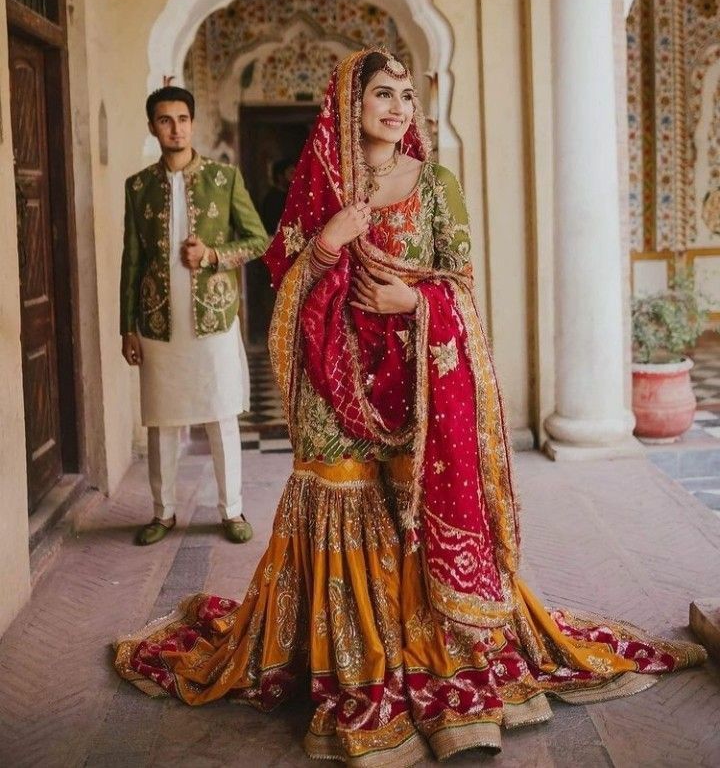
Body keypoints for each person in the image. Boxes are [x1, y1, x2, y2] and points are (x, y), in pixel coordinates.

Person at [114, 52, 704, 764]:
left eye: (406, 96)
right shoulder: (318, 182)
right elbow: (282, 268)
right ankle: (353, 664)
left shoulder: (436, 183)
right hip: (330, 380)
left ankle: (427, 655)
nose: (397, 107)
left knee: (408, 504)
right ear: (348, 103)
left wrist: (412, 300)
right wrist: (328, 245)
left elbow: (461, 283)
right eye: (382, 94)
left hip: (417, 377)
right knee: (335, 493)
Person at [120, 85, 268, 546]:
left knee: (221, 413)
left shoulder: (224, 179)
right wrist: (127, 326)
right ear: (153, 128)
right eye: (165, 120)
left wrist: (211, 255)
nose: (176, 128)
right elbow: (132, 259)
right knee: (162, 419)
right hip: (158, 321)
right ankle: (162, 513)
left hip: (213, 318)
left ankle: (232, 510)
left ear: (193, 123)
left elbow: (259, 240)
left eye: (183, 119)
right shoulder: (139, 187)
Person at [260, 156, 295, 235]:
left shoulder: (292, 195)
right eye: (291, 173)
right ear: (280, 176)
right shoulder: (272, 199)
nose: (295, 177)